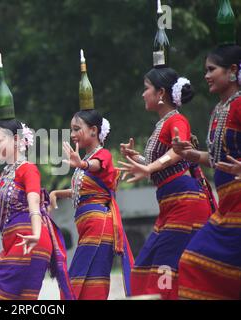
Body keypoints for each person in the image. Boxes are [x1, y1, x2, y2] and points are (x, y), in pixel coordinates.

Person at [0, 54, 74, 300]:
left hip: (30, 241)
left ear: (17, 140)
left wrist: (37, 233)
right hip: (14, 244)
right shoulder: (4, 176)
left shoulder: (27, 169)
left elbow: (34, 206)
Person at [118, 67, 214, 299]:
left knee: (164, 270)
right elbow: (164, 163)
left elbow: (178, 151)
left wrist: (148, 167)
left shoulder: (177, 120)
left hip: (185, 205)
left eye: (146, 88)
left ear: (161, 93)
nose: (143, 94)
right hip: (171, 206)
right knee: (142, 268)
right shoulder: (163, 123)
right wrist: (138, 159)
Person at [50, 50, 133, 300]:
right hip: (89, 226)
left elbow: (97, 165)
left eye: (77, 129)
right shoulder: (85, 160)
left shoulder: (101, 155)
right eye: (71, 129)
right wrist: (56, 192)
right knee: (86, 282)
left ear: (94, 130)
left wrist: (82, 166)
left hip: (100, 225)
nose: (73, 134)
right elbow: (79, 191)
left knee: (84, 282)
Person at [173, 45, 241, 299]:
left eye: (212, 69)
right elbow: (217, 159)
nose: (206, 75)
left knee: (197, 265)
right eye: (205, 70)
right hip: (227, 209)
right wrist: (190, 154)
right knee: (195, 264)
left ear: (232, 70)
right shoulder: (219, 111)